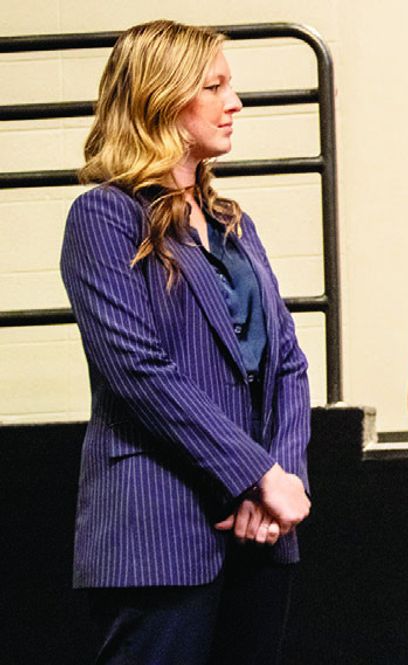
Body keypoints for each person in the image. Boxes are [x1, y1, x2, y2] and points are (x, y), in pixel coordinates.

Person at [59, 20, 311, 665]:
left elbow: (285, 359)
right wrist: (255, 474)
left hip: (259, 530)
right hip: (158, 530)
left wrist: (282, 477)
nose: (236, 102)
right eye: (215, 86)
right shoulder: (104, 215)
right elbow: (138, 370)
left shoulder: (232, 222)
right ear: (162, 97)